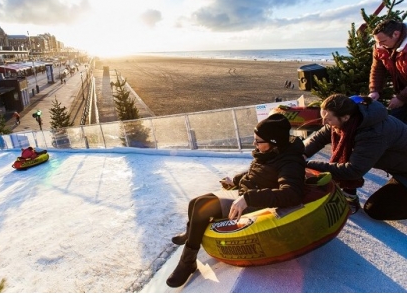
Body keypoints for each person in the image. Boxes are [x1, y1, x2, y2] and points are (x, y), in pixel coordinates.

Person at [166, 113, 306, 288]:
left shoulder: (290, 162)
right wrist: (237, 180)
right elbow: (259, 174)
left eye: (258, 141)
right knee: (195, 201)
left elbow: (292, 194)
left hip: (257, 204)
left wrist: (248, 198)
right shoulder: (270, 153)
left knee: (202, 207)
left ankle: (187, 262)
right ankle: (191, 233)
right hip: (246, 194)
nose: (255, 144)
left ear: (274, 142)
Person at [303, 94, 407, 219]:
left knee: (375, 209)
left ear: (345, 118)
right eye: (323, 117)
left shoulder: (373, 133)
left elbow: (353, 170)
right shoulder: (350, 117)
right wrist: (300, 155)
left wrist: (308, 165)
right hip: (400, 167)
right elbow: (319, 138)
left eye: (328, 119)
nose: (324, 122)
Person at [368, 18, 407, 123]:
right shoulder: (380, 47)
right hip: (402, 91)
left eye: (383, 41)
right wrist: (375, 90)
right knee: (395, 123)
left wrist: (401, 98)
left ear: (396, 34)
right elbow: (377, 69)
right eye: (377, 42)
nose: (380, 45)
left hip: (404, 95)